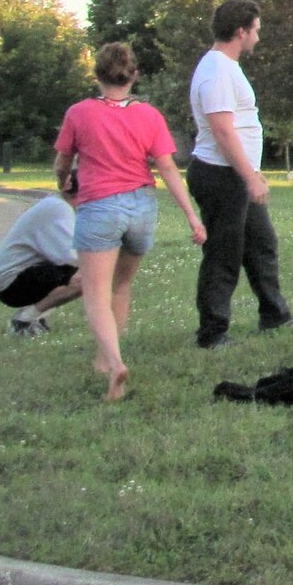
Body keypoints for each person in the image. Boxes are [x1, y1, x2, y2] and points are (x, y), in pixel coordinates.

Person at [54, 41, 208, 401]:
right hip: (141, 208)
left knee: (95, 293)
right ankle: (105, 360)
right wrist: (191, 216)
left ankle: (114, 361)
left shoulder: (79, 113)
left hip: (100, 207)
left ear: (96, 75)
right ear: (134, 75)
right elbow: (167, 167)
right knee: (121, 287)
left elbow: (63, 161)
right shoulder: (149, 115)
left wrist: (62, 182)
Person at [188, 0, 293, 349]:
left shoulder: (226, 66)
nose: (258, 38)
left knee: (262, 244)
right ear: (240, 31)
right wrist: (249, 176)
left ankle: (274, 314)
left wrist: (252, 173)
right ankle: (212, 332)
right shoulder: (217, 70)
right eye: (256, 31)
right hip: (222, 176)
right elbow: (222, 130)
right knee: (224, 253)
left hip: (238, 174)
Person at [0, 190, 84, 335]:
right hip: (10, 283)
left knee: (86, 273)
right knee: (87, 278)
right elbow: (70, 256)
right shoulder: (59, 208)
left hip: (19, 276)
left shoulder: (56, 204)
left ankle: (37, 317)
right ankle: (24, 320)